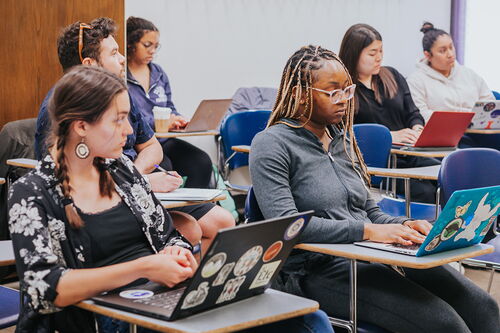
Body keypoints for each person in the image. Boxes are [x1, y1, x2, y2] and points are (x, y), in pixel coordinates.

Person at [9, 66, 333, 333]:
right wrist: (147, 266)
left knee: (309, 322)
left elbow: (170, 236)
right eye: (118, 119)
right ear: (81, 126)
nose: (129, 131)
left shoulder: (121, 170)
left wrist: (177, 254)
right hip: (103, 315)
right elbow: (46, 288)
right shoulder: (33, 192)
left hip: (156, 298)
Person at [249, 45, 500, 332]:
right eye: (333, 93)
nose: (344, 101)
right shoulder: (271, 144)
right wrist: (368, 232)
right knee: (445, 324)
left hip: (372, 254)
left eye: (348, 91)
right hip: (315, 269)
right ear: (299, 94)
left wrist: (405, 226)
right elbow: (287, 226)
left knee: (483, 306)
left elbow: (369, 212)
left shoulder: (341, 140)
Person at [34, 17, 235, 253]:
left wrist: (135, 177)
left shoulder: (119, 95)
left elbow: (153, 147)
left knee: (222, 221)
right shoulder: (61, 111)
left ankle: (187, 288)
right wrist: (141, 182)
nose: (122, 60)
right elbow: (74, 183)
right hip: (105, 201)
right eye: (114, 53)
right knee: (188, 229)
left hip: (130, 186)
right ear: (90, 64)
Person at [339, 23, 438, 203]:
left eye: (381, 51)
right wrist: (388, 136)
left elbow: (412, 112)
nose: (379, 58)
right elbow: (344, 132)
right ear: (354, 55)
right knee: (425, 192)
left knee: (445, 178)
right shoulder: (344, 89)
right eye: (372, 53)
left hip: (410, 154)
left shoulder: (391, 75)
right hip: (380, 163)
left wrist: (417, 128)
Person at [126, 17, 214, 189]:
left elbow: (169, 107)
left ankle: (195, 210)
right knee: (164, 168)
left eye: (156, 46)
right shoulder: (123, 76)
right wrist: (159, 123)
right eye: (147, 45)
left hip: (165, 141)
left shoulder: (158, 73)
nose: (152, 51)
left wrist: (177, 119)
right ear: (131, 43)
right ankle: (167, 215)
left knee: (202, 162)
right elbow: (131, 118)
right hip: (142, 145)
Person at [407, 22, 494, 122]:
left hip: (475, 130)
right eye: (442, 51)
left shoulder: (469, 74)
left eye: (451, 47)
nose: (450, 54)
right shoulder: (416, 80)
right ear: (428, 55)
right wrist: (457, 121)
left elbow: (490, 103)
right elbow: (419, 113)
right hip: (443, 132)